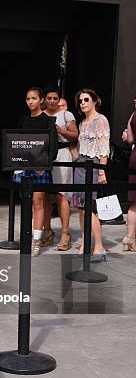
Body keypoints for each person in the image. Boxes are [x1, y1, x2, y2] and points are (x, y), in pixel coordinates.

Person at [13, 87, 58, 256]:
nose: (30, 101)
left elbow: (52, 149)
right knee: (26, 202)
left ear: (41, 100)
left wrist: (40, 161)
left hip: (40, 168)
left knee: (38, 202)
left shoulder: (48, 121)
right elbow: (15, 142)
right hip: (23, 167)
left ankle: (36, 241)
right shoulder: (23, 120)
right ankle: (27, 236)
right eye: (27, 98)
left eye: (33, 98)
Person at [71, 89, 110, 261]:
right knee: (80, 206)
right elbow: (81, 147)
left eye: (86, 100)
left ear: (95, 101)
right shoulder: (82, 123)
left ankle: (99, 247)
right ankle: (85, 243)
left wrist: (102, 171)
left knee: (90, 207)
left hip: (93, 166)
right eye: (80, 101)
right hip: (80, 164)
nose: (83, 103)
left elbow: (104, 150)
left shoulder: (101, 120)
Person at [42, 87, 79, 250]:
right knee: (43, 195)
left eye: (54, 98)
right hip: (44, 155)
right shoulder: (41, 115)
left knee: (61, 194)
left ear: (58, 99)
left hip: (62, 154)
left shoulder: (66, 114)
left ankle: (65, 233)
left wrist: (60, 130)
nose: (51, 101)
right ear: (44, 99)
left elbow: (75, 135)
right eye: (49, 98)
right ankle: (47, 231)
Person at [121, 95, 136, 251]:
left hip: (135, 156)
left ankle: (130, 237)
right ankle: (130, 238)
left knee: (134, 201)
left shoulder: (133, 115)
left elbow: (130, 139)